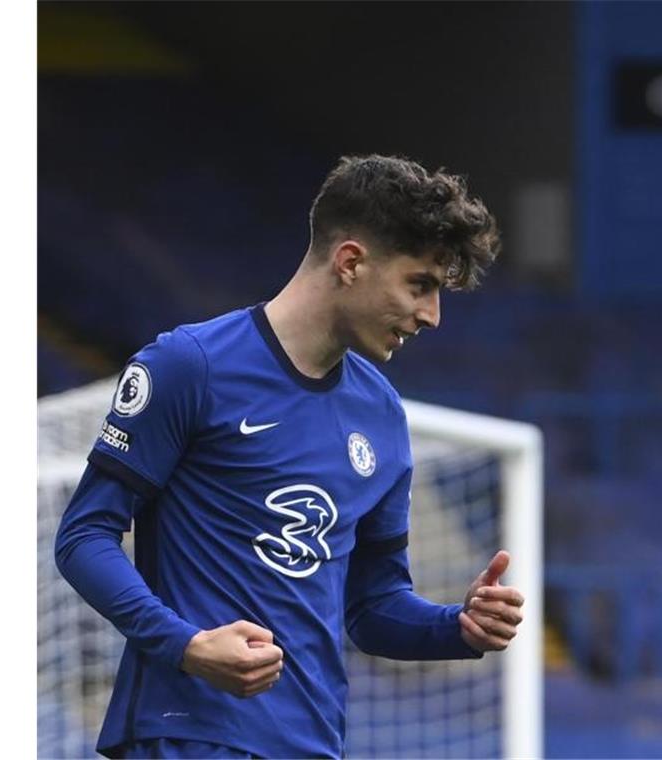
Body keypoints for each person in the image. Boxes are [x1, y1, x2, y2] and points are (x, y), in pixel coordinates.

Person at [55, 154, 524, 759]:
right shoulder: (190, 366)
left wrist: (456, 627)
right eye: (420, 284)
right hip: (187, 734)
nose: (431, 315)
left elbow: (373, 606)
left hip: (311, 743)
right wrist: (186, 644)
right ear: (351, 262)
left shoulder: (380, 414)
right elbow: (84, 536)